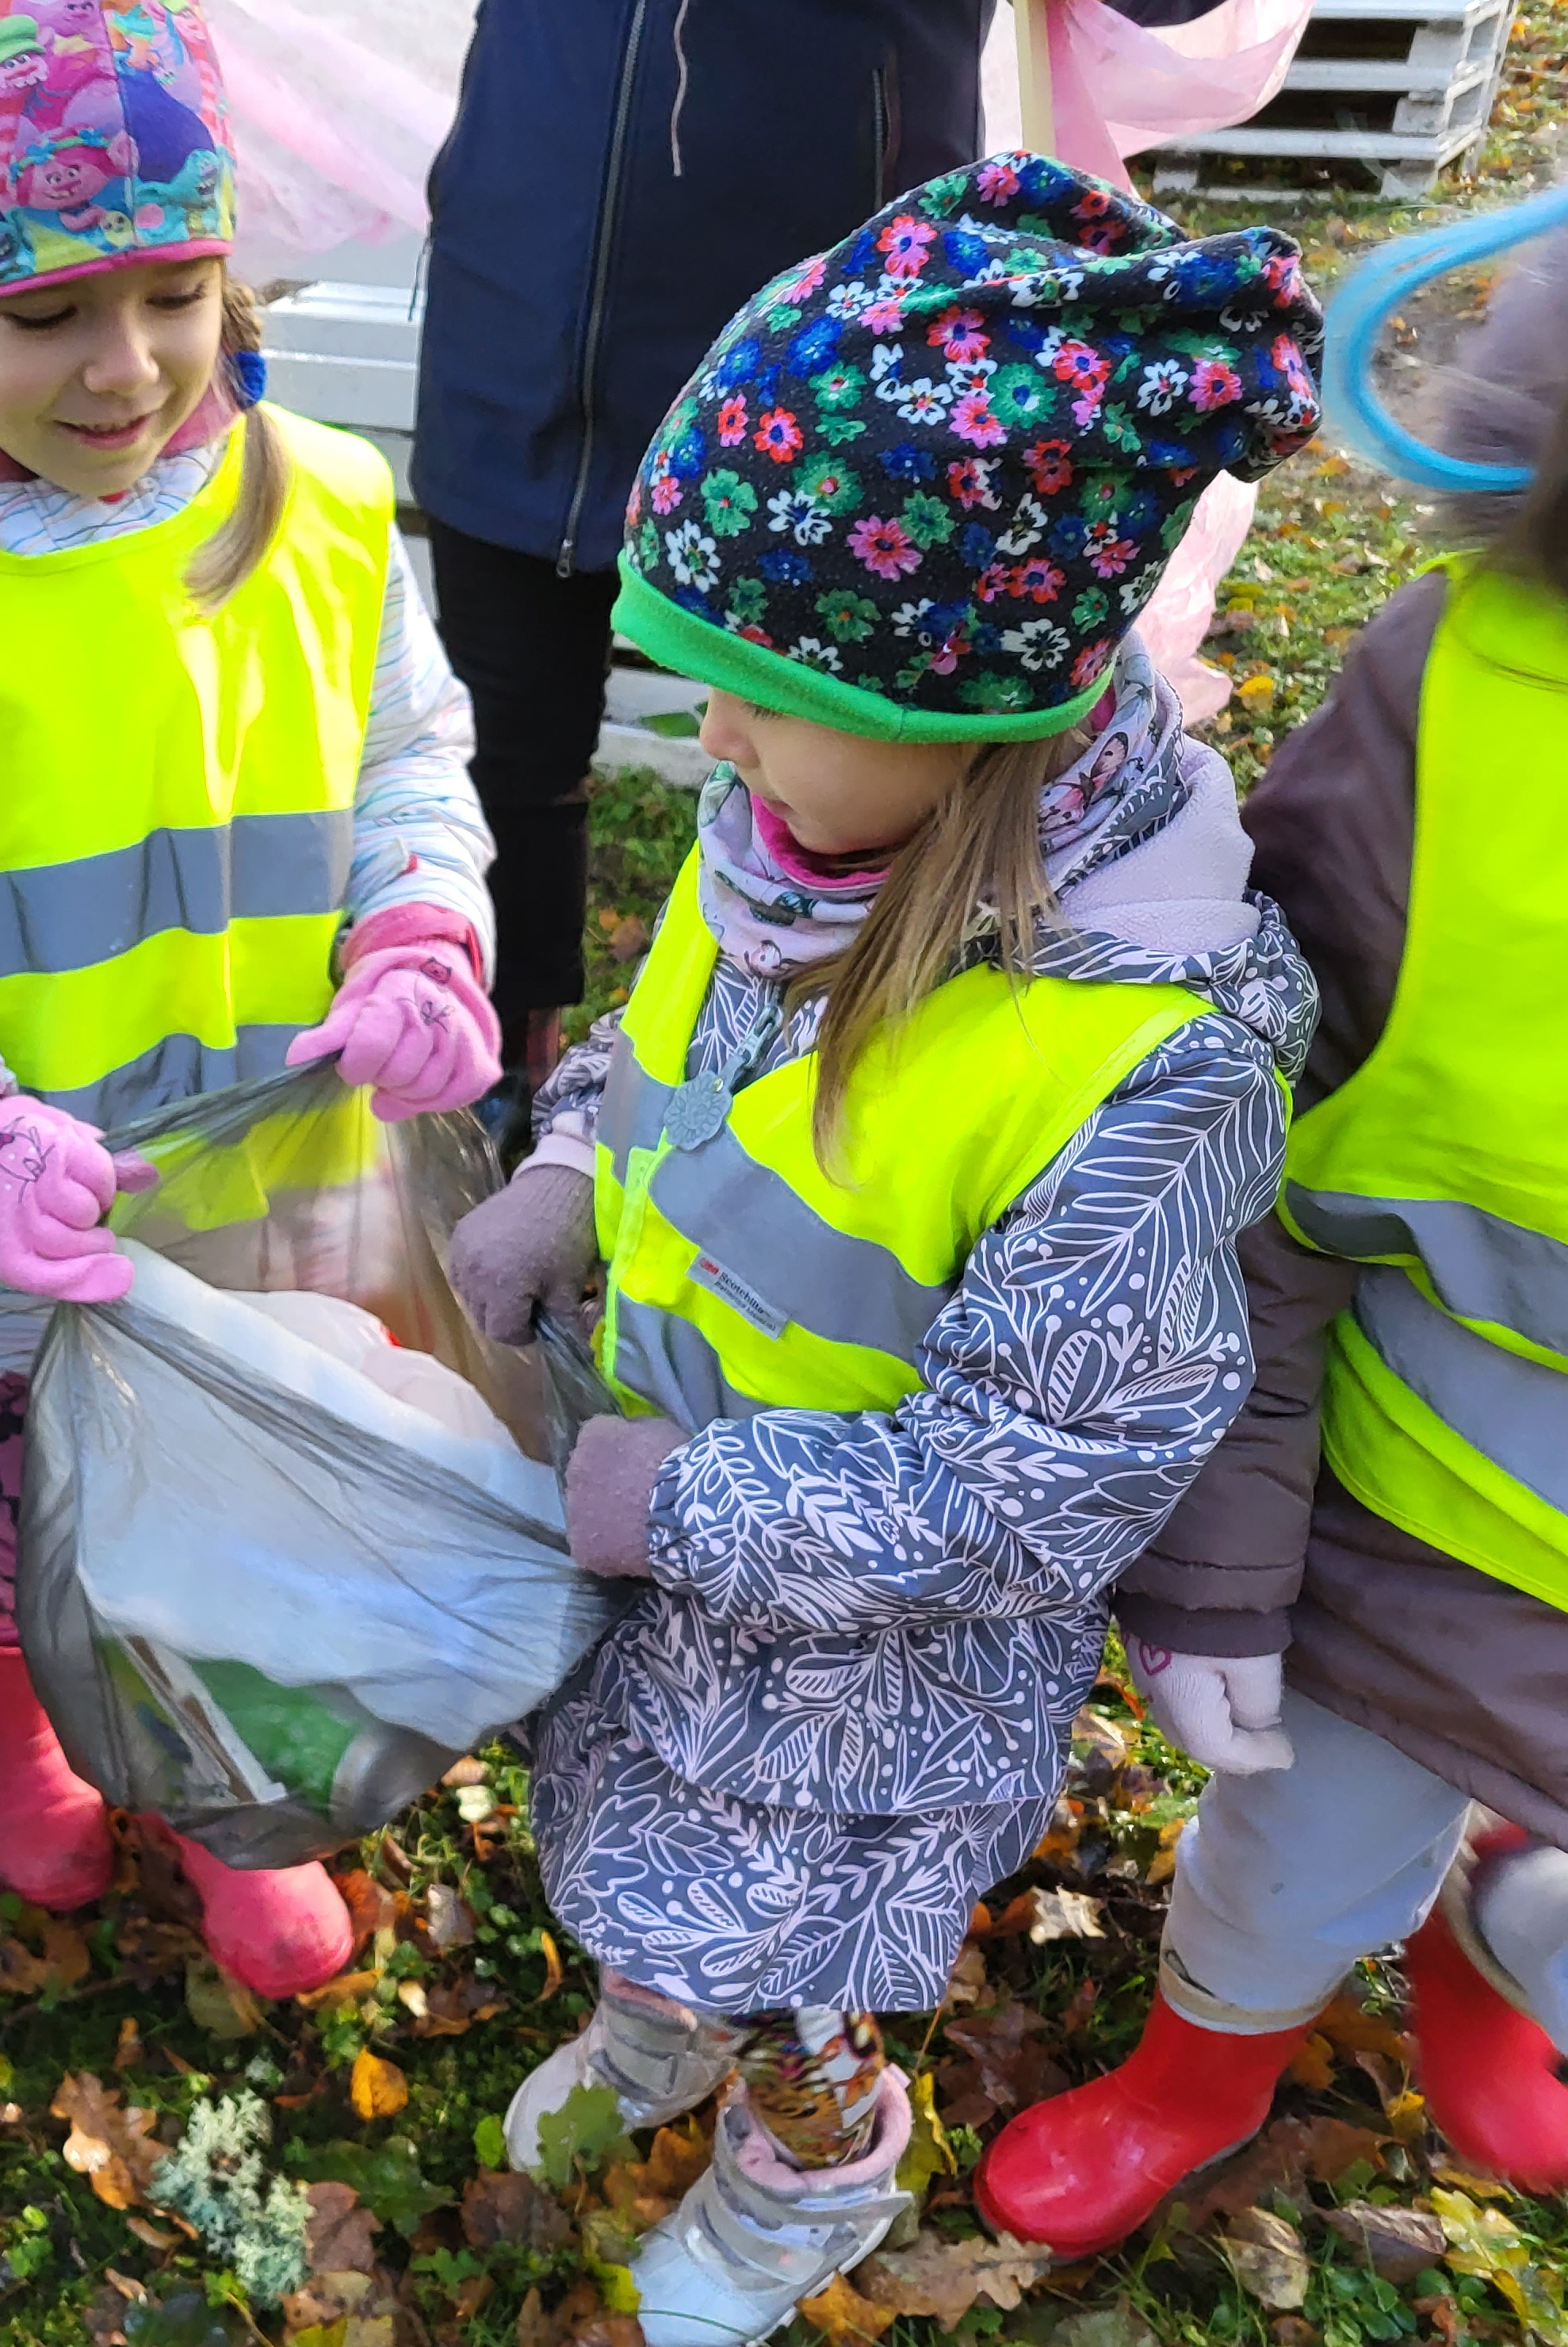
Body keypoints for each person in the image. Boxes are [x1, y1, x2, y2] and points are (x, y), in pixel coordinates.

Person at [442, 155, 1322, 2343]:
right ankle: (659, 2021)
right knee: (657, 1882)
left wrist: (687, 1500)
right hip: (667, 1567)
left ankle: (806, 2179)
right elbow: (670, 1078)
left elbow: (1049, 1471)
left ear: (966, 712)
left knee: (806, 1976)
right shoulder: (793, 853)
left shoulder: (1141, 1060)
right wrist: (563, 1178)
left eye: (754, 692)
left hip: (868, 1689)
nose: (707, 744)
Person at [0, 0, 498, 2002]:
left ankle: (233, 1790)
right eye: (46, 312)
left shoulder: (319, 500)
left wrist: (420, 929)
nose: (125, 365)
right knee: (14, 1511)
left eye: (169, 291)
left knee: (254, 1499)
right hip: (10, 1246)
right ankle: (19, 1720)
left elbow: (410, 757)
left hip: (282, 1185)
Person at [977, 207, 1568, 2246]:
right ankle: (1196, 2068)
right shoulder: (1459, 702)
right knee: (1290, 1848)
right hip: (1415, 1536)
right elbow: (1255, 1161)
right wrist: (1219, 1577)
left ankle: (1492, 1950)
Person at [415, 0, 1239, 1113]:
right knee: (506, 739)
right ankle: (535, 1076)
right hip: (520, 295)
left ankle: (838, 1070)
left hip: (838, 386)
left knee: (832, 771)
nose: (713, 727)